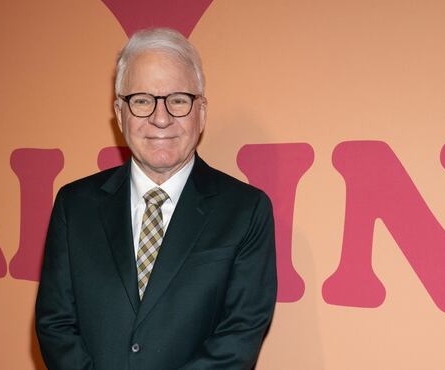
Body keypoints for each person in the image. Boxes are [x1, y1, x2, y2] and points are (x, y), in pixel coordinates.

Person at [35, 28, 277, 370]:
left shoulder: (246, 211)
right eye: (142, 100)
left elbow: (238, 338)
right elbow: (55, 324)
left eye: (178, 99)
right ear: (120, 113)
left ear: (201, 112)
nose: (160, 118)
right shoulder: (73, 206)